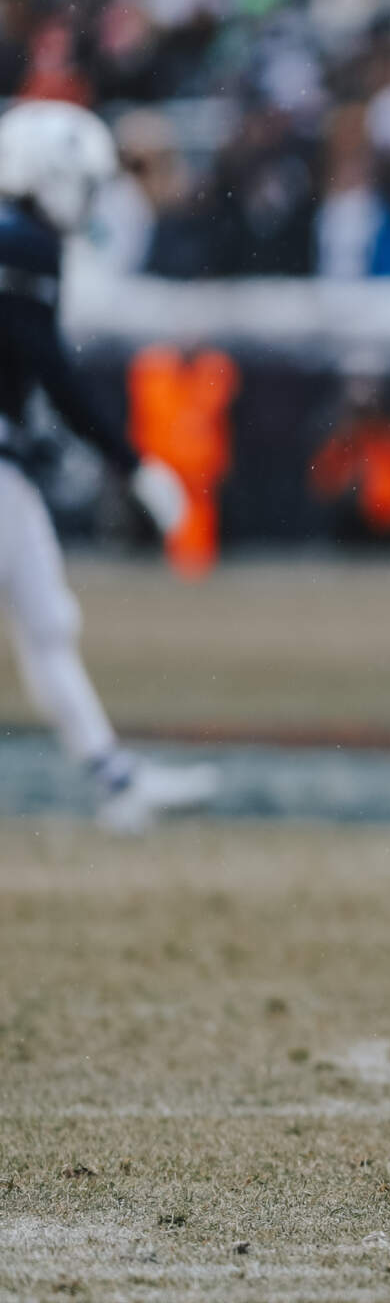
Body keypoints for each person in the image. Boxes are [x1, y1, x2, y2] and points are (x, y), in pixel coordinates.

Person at [0, 99, 218, 831]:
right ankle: (117, 782)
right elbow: (54, 373)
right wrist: (134, 464)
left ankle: (116, 780)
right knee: (45, 622)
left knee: (48, 620)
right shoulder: (22, 245)